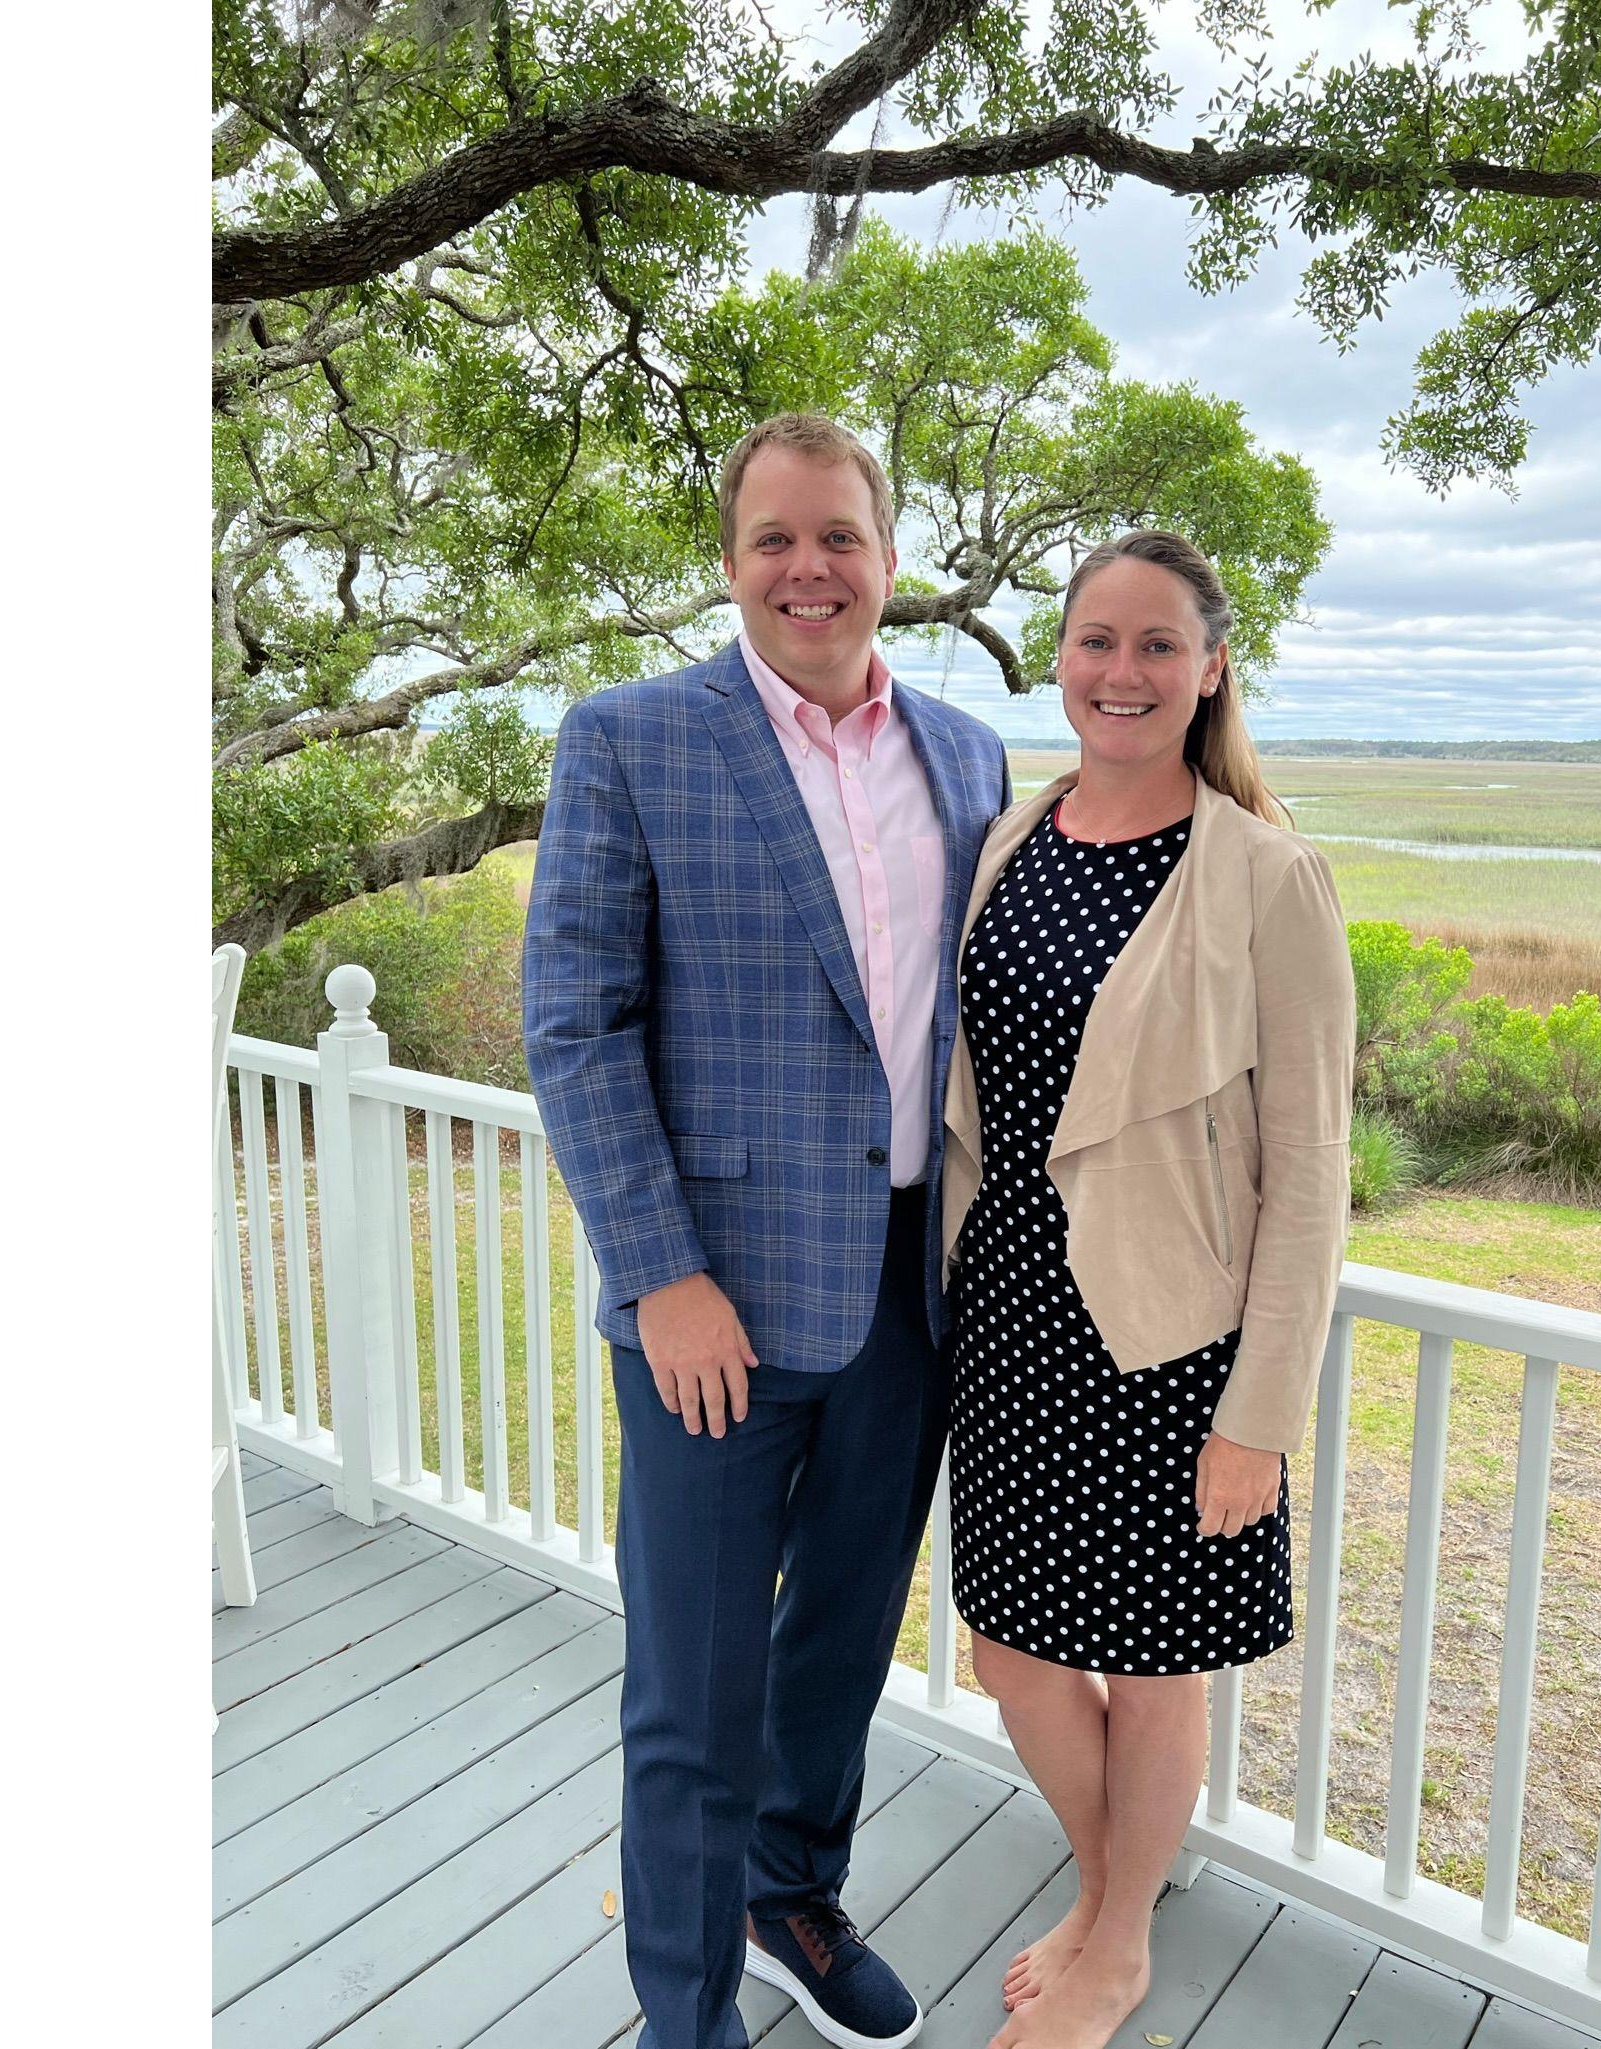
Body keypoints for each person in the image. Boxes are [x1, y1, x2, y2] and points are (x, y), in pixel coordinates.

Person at [523, 413, 1012, 2049]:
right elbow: (576, 1027)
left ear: (890, 554)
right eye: (774, 540)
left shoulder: (962, 752)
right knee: (695, 1681)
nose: (810, 568)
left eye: (841, 537)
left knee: (841, 1636)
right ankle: (686, 2007)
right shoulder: (628, 737)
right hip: (709, 1302)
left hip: (904, 1287)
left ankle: (790, 1885)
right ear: (731, 562)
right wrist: (661, 1275)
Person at [940, 530, 1356, 2049]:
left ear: (1209, 665)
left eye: (1154, 646)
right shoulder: (1011, 835)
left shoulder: (1265, 872)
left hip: (1172, 1344)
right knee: (1011, 1644)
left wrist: (1260, 1410)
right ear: (1057, 657)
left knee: (1153, 1657)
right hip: (1006, 1321)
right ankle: (1116, 1879)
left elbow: (1309, 1173)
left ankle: (1114, 1937)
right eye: (1093, 641)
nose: (1119, 672)